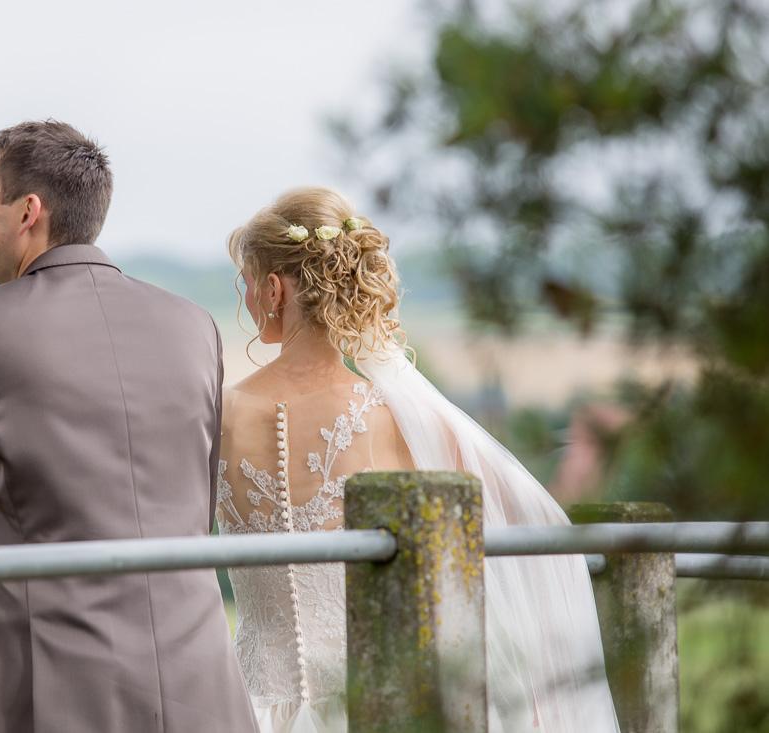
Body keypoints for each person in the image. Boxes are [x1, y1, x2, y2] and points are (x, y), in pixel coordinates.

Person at [0, 120, 257, 733]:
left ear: (28, 212)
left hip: (51, 691)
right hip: (201, 686)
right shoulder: (194, 327)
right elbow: (190, 502)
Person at [217, 186, 620, 732]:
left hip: (246, 709)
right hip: (376, 705)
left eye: (246, 282)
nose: (246, 298)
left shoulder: (219, 412)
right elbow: (523, 527)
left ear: (272, 288)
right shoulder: (398, 417)